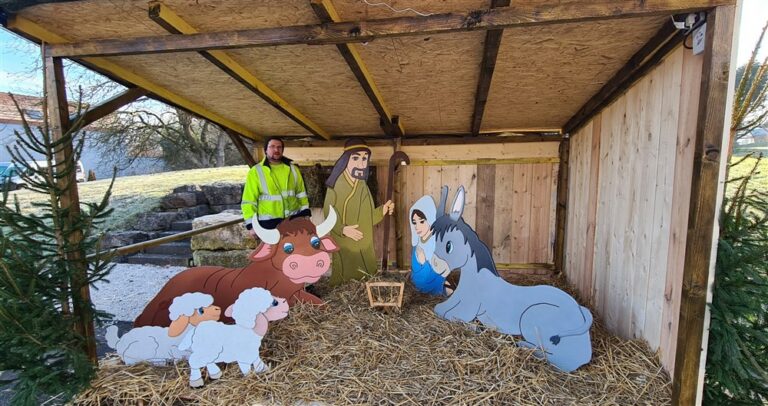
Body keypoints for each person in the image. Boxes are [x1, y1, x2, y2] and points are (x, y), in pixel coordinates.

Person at [323, 138, 394, 286]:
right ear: (345, 160)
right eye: (355, 158)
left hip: (364, 243)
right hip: (345, 243)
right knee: (345, 281)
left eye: (364, 158)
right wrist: (343, 229)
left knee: (366, 279)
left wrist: (383, 210)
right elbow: (328, 213)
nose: (361, 164)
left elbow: (368, 217)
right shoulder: (335, 186)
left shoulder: (362, 186)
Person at [241, 137, 311, 235]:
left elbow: (301, 195)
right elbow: (249, 201)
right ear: (265, 150)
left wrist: (306, 215)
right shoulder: (255, 172)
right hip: (268, 225)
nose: (276, 150)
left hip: (293, 222)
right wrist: (251, 225)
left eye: (279, 147)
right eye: (272, 147)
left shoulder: (294, 169)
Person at [409, 195, 447, 295]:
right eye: (414, 223)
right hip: (417, 285)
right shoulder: (417, 242)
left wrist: (424, 264)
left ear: (429, 218)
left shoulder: (436, 242)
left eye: (421, 221)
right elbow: (414, 270)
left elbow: (438, 270)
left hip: (433, 284)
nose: (417, 227)